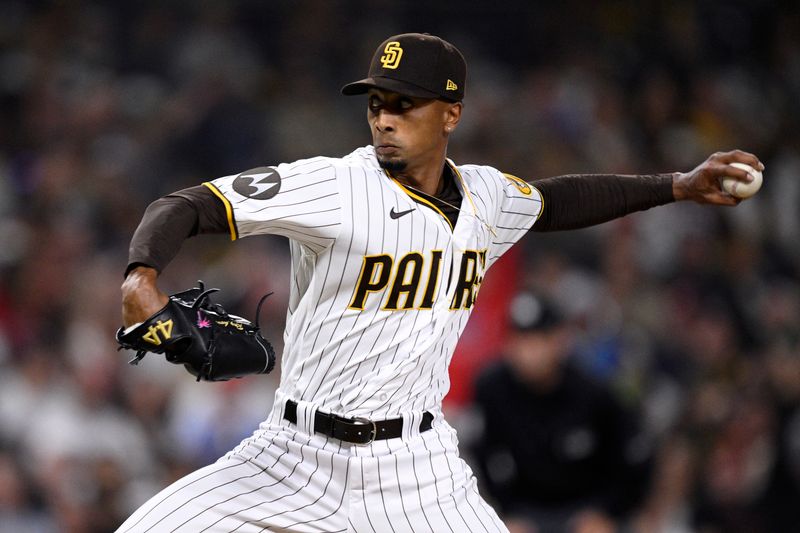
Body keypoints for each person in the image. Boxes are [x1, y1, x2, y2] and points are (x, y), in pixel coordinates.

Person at [116, 33, 764, 532]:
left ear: (450, 114)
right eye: (376, 102)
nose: (384, 118)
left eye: (404, 103)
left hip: (417, 468)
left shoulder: (484, 195)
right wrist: (141, 281)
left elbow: (558, 200)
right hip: (294, 450)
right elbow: (184, 205)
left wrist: (676, 185)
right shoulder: (336, 186)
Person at [472, 290, 652, 533]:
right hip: (525, 510)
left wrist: (608, 511)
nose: (527, 352)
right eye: (519, 340)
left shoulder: (594, 392)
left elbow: (633, 458)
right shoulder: (492, 389)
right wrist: (505, 510)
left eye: (537, 339)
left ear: (560, 339)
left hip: (586, 508)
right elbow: (483, 454)